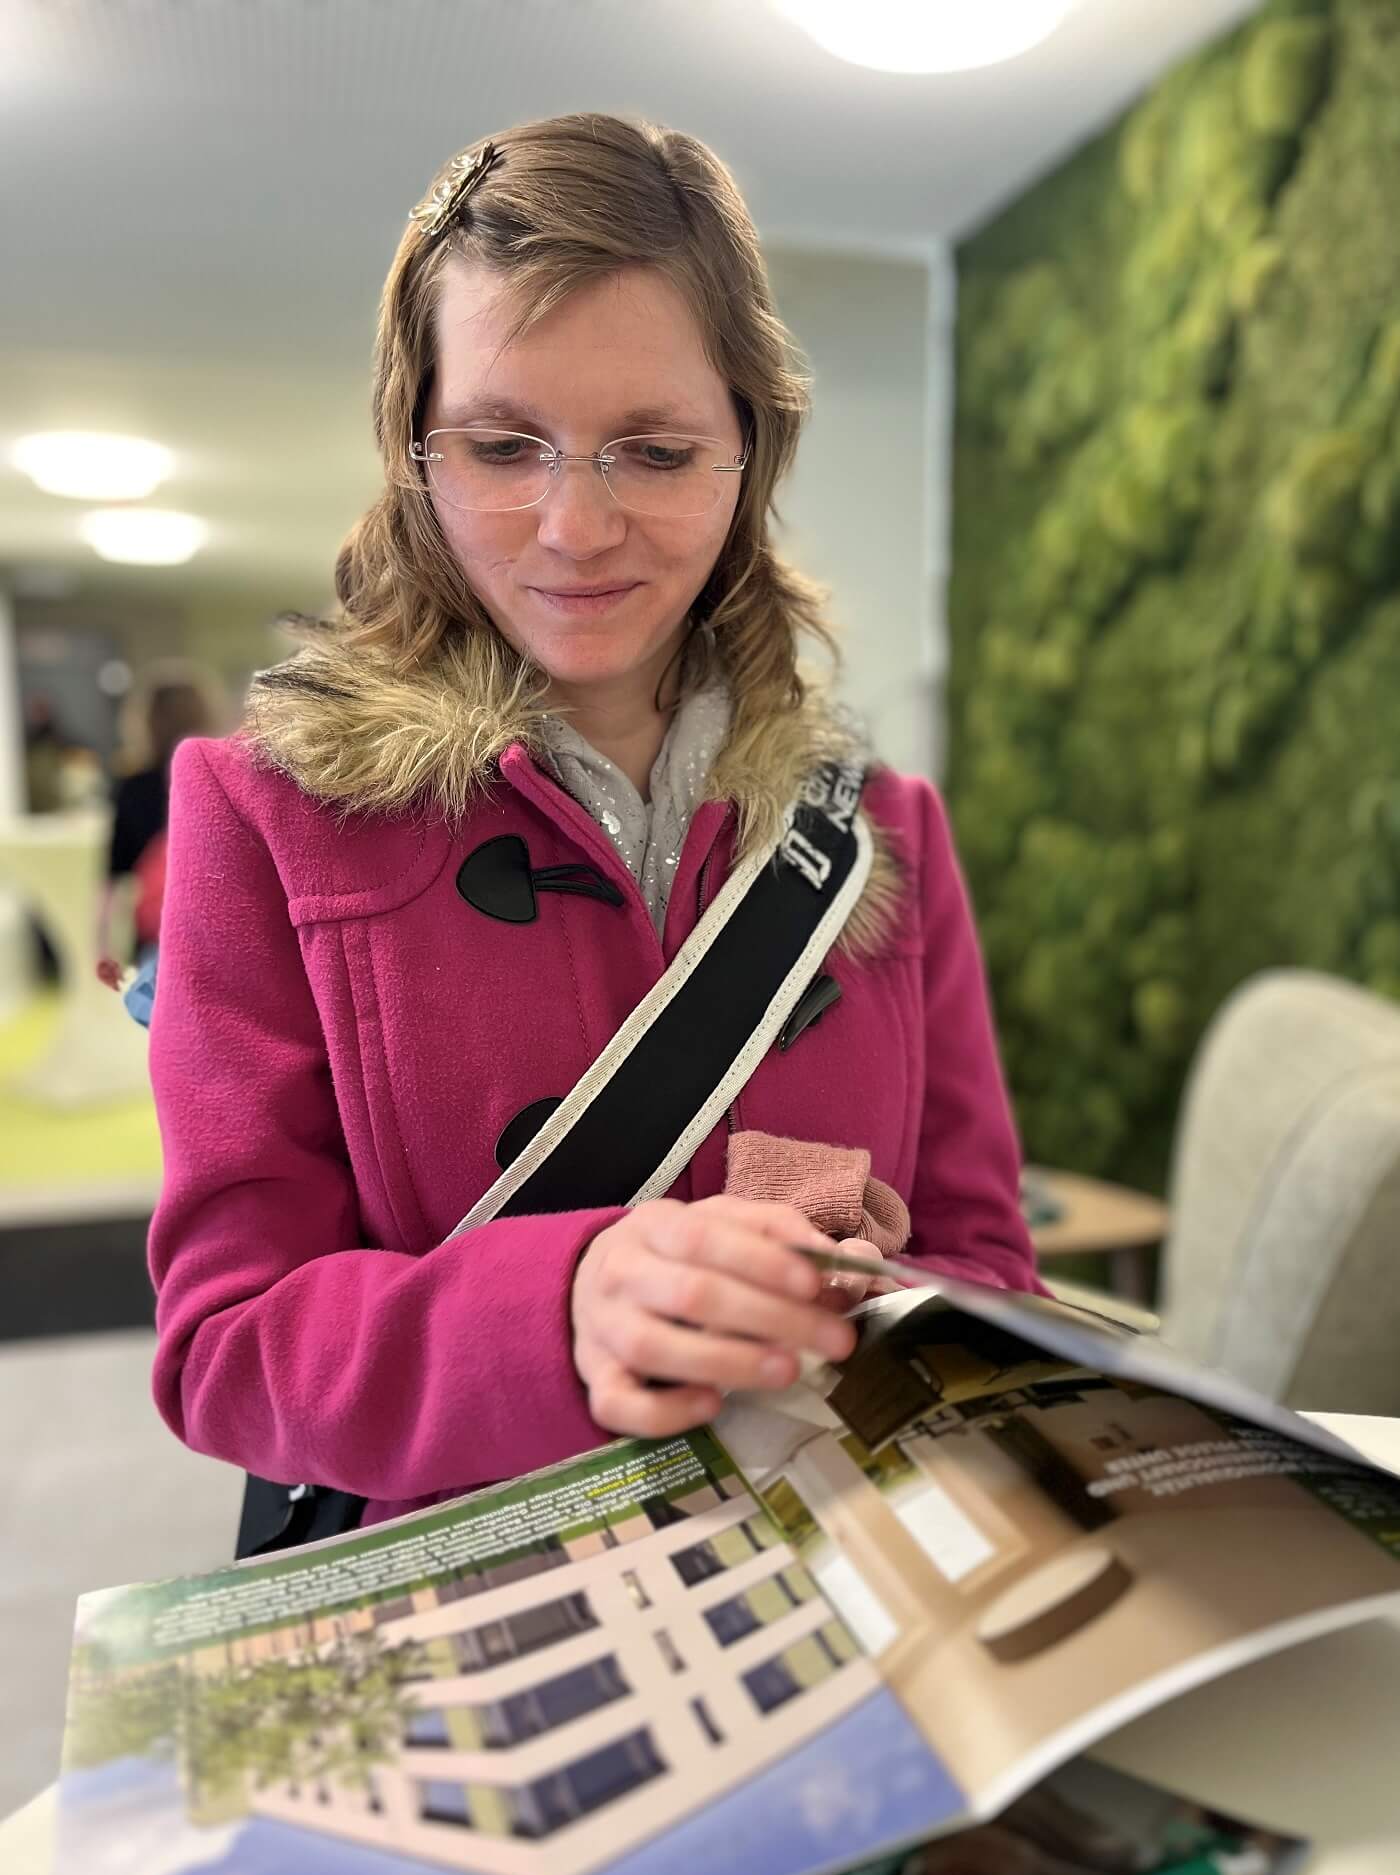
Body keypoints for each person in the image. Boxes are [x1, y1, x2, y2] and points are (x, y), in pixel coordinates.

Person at [147, 113, 1042, 1537]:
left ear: (749, 452)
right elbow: (225, 1350)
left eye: (656, 450)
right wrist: (563, 1306)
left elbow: (984, 1260)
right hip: (482, 1584)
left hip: (831, 1557)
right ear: (415, 452)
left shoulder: (883, 831)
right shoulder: (263, 814)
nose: (574, 527)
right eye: (504, 445)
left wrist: (877, 1289)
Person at [96, 681, 210, 996]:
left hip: (156, 934)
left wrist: (102, 946)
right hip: (212, 931)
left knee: (158, 1013)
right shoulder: (217, 777)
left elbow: (114, 871)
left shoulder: (134, 788)